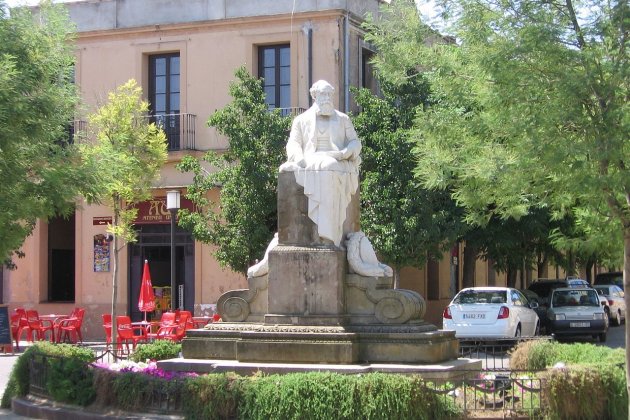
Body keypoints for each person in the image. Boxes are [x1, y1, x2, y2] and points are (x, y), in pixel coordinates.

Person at [279, 80, 361, 246]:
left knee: (329, 166)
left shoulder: (343, 119)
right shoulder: (301, 120)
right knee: (315, 167)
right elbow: (293, 143)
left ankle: (329, 234)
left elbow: (355, 142)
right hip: (310, 159)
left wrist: (345, 153)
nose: (327, 98)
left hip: (337, 160)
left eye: (330, 94)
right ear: (314, 95)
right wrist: (299, 157)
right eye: (323, 94)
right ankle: (325, 232)